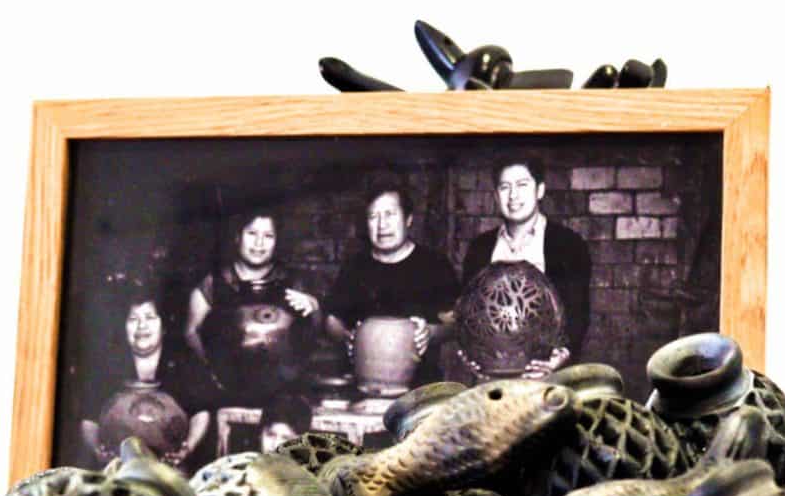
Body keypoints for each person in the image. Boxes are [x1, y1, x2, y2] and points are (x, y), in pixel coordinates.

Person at [458, 154, 592, 379]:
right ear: (495, 195)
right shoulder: (480, 248)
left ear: (539, 190)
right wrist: (467, 354)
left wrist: (562, 356)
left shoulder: (568, 244)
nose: (513, 196)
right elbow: (466, 310)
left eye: (522, 185)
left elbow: (579, 313)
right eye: (505, 187)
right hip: (490, 378)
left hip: (546, 376)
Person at [323, 182, 460, 385]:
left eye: (389, 214)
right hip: (363, 385)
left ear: (408, 219)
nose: (382, 225)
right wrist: (346, 336)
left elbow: (457, 322)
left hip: (421, 387)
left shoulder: (434, 265)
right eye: (374, 216)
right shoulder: (355, 267)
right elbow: (332, 318)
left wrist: (431, 332)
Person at [185, 210, 322, 405]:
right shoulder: (213, 283)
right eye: (252, 233)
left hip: (282, 395)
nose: (259, 243)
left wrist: (313, 308)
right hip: (225, 392)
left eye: (268, 236)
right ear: (237, 236)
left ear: (276, 242)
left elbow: (313, 333)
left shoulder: (292, 282)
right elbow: (191, 332)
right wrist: (212, 372)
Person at [81, 279, 210, 469]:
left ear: (163, 325)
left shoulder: (182, 361)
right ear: (123, 327)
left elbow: (201, 412)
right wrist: (98, 450)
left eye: (150, 317)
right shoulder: (109, 363)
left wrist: (187, 448)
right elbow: (88, 419)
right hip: (118, 469)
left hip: (170, 468)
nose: (142, 326)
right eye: (133, 319)